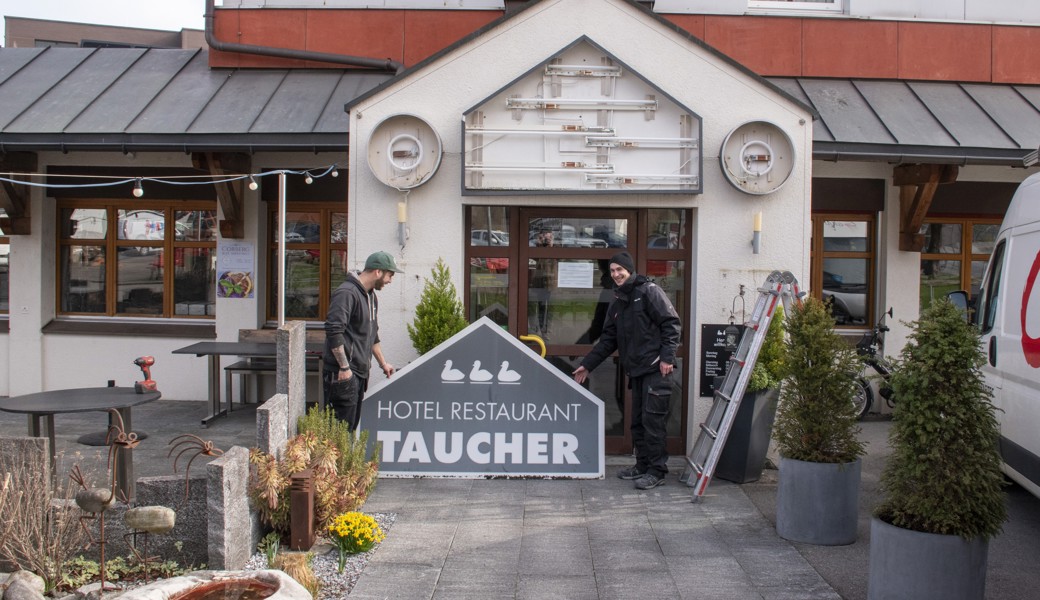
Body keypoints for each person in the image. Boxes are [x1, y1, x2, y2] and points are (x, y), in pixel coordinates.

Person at [572, 251, 681, 490]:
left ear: (629, 270)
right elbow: (608, 339)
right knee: (638, 423)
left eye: (619, 270)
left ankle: (657, 471)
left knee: (653, 423)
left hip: (656, 370)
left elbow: (671, 324)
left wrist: (667, 358)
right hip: (637, 371)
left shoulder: (649, 292)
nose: (616, 274)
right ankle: (642, 465)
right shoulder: (618, 300)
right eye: (612, 271)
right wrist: (587, 364)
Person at [323, 250, 402, 429]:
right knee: (338, 430)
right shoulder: (347, 293)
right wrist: (344, 368)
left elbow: (372, 334)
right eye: (390, 275)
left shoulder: (371, 296)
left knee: (350, 427)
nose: (391, 280)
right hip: (342, 373)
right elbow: (334, 330)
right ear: (378, 272)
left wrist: (383, 364)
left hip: (359, 373)